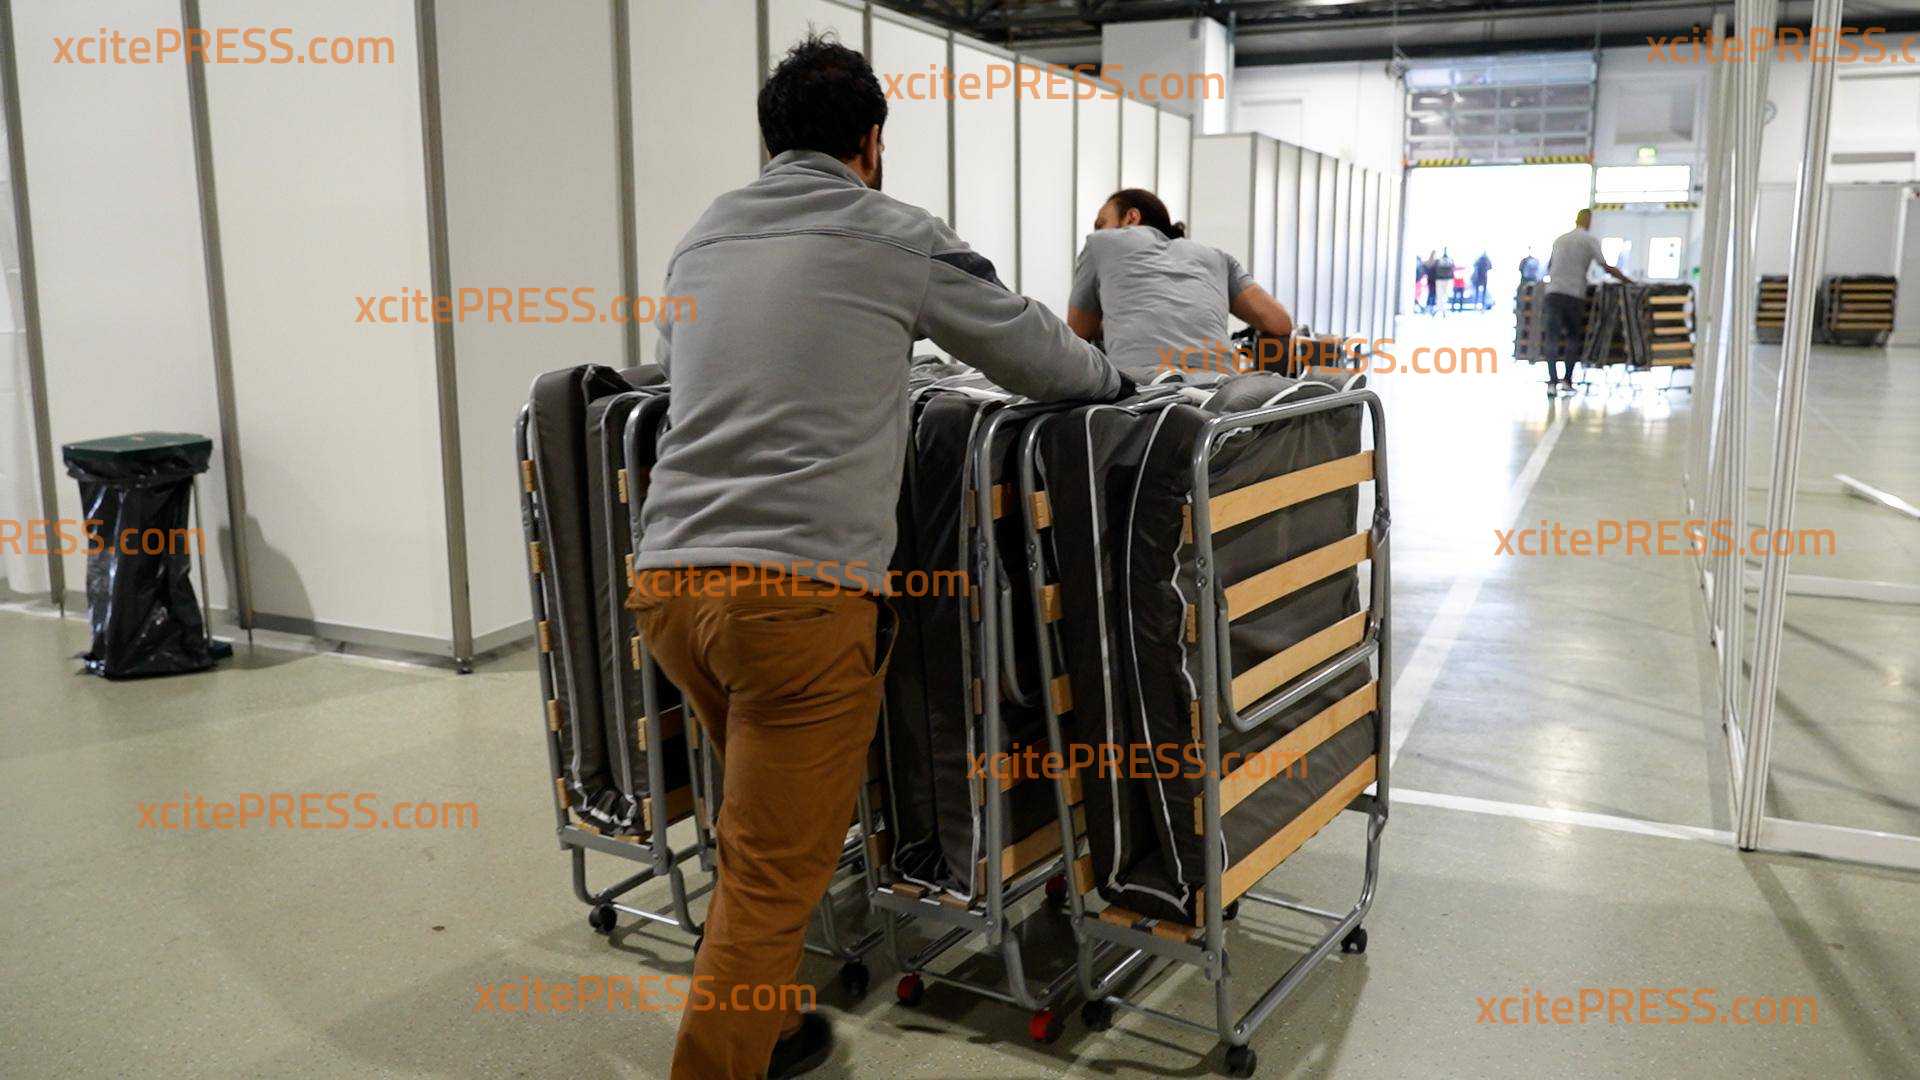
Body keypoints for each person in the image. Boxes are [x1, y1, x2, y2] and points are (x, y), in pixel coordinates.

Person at [629, 36, 1131, 1080]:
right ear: (871, 142)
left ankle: (775, 1026)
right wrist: (1115, 382)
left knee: (757, 832)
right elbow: (1035, 352)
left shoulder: (700, 238)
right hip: (796, 602)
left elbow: (681, 378)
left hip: (669, 588)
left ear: (769, 143)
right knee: (772, 871)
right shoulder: (894, 232)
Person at [1066, 189, 1294, 378]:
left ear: (1131, 218)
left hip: (1144, 390)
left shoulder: (1101, 243)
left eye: (1101, 223)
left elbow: (1078, 333)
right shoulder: (1216, 257)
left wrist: (1114, 321)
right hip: (1221, 387)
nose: (1098, 230)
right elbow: (1280, 322)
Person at [1541, 208, 1632, 394]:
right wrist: (1627, 280)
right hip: (1573, 295)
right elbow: (1604, 266)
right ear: (1588, 220)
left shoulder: (1560, 240)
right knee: (1572, 338)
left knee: (1552, 338)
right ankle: (1567, 381)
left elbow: (1549, 266)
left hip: (1553, 293)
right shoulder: (1589, 240)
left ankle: (1552, 383)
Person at [1432, 249, 1456, 314]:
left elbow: (1434, 269)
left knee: (1439, 295)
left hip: (1439, 279)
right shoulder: (1450, 260)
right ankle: (1444, 309)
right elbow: (1453, 268)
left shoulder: (1438, 261)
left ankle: (1440, 309)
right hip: (1448, 279)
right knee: (1445, 295)